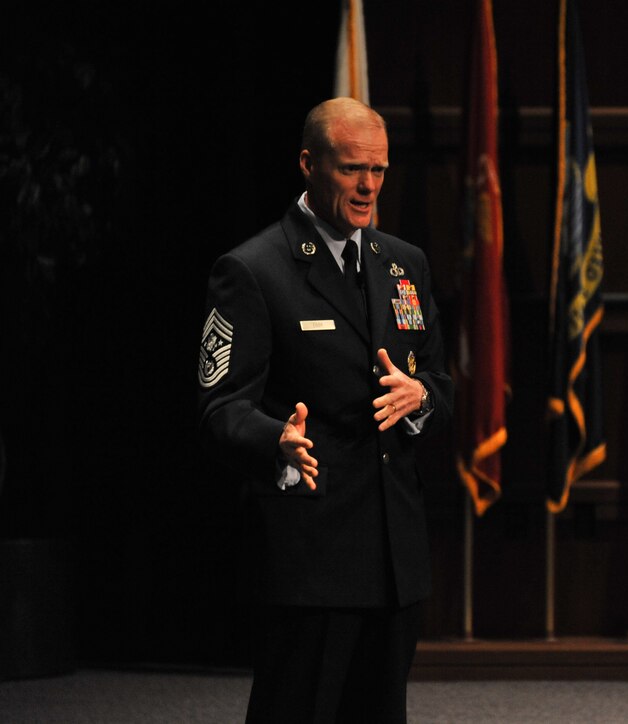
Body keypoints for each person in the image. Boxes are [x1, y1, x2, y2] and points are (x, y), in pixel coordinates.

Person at [197, 97, 452, 723]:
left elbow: (440, 383)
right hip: (312, 563)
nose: (368, 186)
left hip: (395, 560)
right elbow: (220, 407)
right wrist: (274, 439)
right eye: (351, 169)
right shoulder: (254, 271)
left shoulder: (404, 265)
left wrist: (422, 399)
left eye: (380, 170)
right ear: (309, 165)